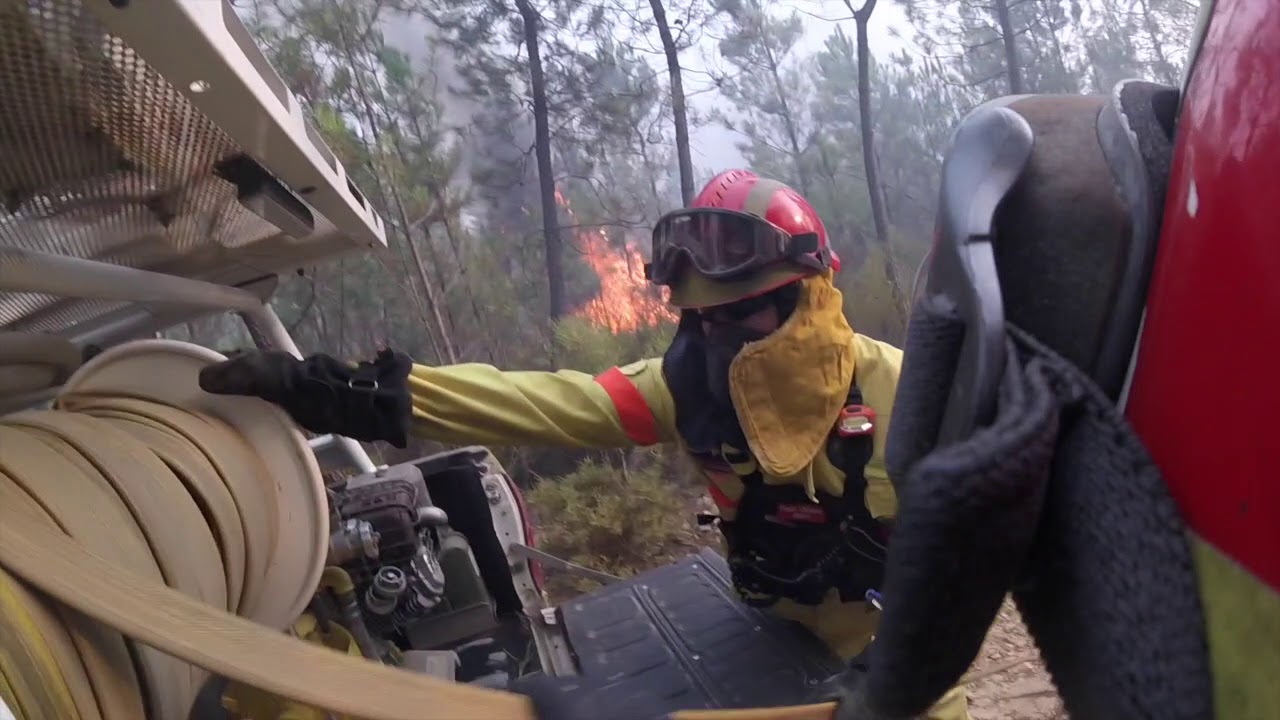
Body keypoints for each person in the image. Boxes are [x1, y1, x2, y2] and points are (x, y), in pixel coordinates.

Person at [198, 169, 970, 720]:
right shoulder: (688, 387)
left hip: (905, 674)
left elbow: (986, 556)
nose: (716, 344)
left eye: (739, 317)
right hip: (772, 644)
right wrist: (369, 397)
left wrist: (893, 680)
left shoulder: (912, 394)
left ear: (808, 299)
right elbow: (542, 401)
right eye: (699, 322)